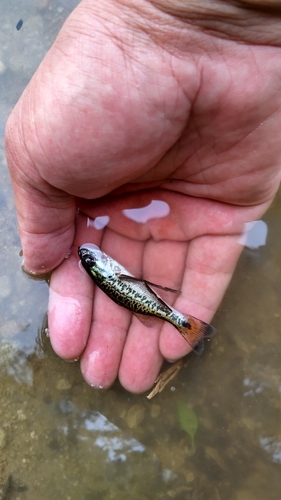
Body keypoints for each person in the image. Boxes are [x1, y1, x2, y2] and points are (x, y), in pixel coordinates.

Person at [5, 0, 281, 393]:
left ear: (100, 264)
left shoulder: (101, 268)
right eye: (92, 260)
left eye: (92, 259)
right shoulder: (106, 267)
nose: (92, 258)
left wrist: (155, 13)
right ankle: (184, 325)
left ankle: (185, 326)